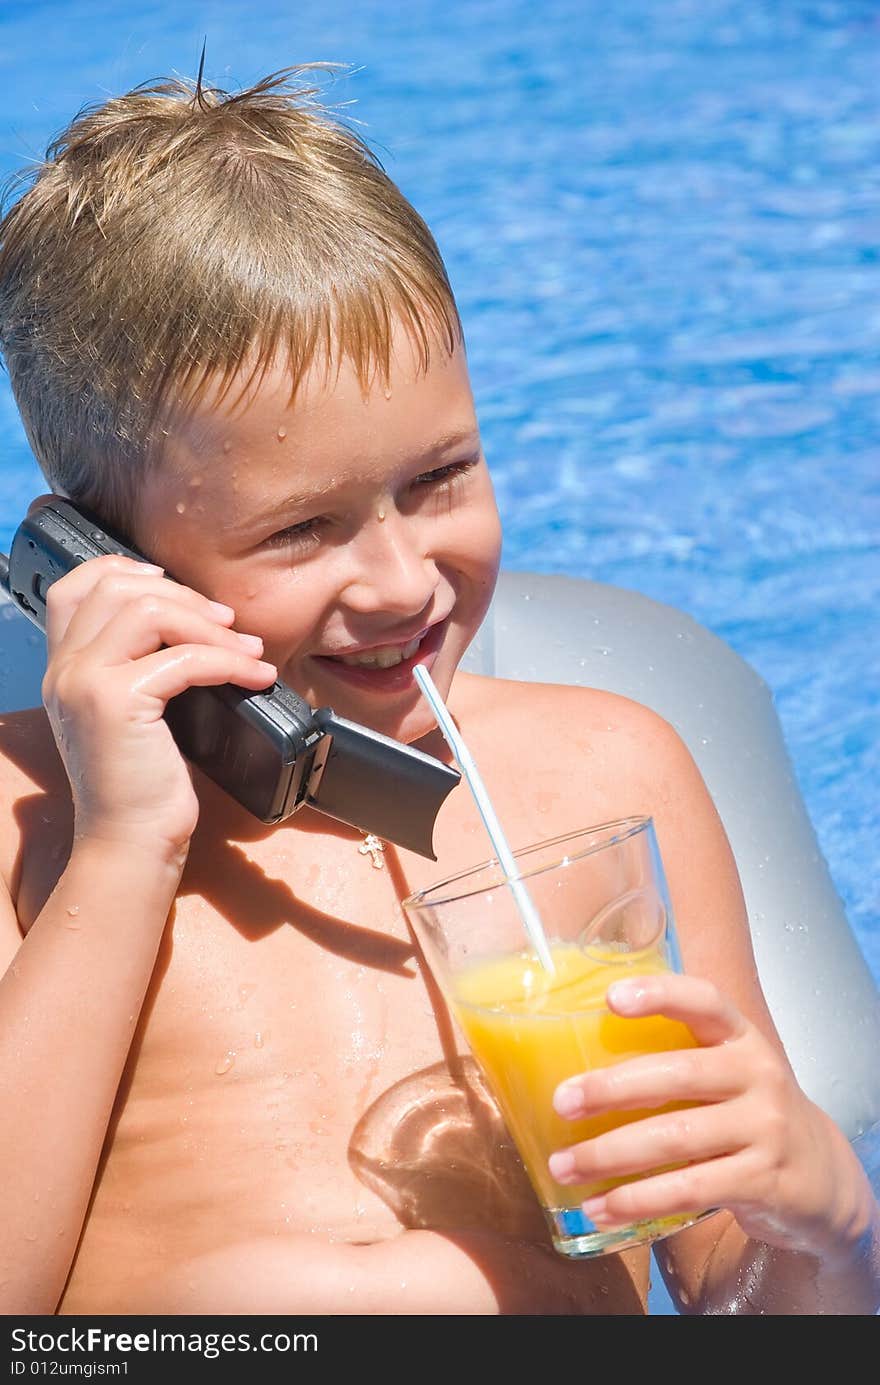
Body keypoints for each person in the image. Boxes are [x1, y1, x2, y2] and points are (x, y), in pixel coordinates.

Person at [0, 67, 876, 1319]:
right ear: (111, 563)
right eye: (303, 530)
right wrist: (127, 847)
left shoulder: (611, 777)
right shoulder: (29, 823)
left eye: (439, 477)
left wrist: (824, 1223)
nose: (405, 579)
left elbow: (746, 1298)